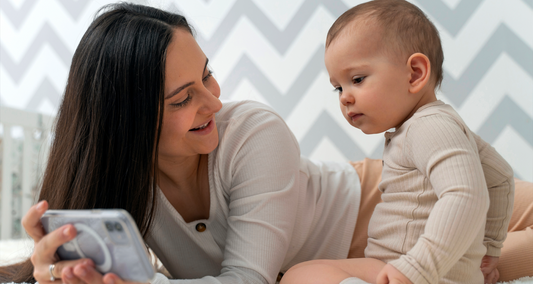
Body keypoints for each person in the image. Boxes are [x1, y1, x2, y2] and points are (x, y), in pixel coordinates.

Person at [0, 2, 532, 284]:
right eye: (183, 98)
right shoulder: (122, 183)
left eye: (207, 77)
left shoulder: (252, 130)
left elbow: (247, 280)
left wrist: (481, 249)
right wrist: (59, 271)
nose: (214, 100)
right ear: (127, 122)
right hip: (359, 255)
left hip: (385, 202)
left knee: (490, 238)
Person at [281, 1, 525, 284]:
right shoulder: (435, 124)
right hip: (400, 267)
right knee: (305, 272)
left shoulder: (429, 126)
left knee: (302, 275)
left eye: (357, 79)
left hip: (414, 271)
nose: (345, 97)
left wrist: (417, 268)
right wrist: (490, 249)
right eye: (339, 87)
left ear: (415, 74)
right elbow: (500, 178)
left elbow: (466, 195)